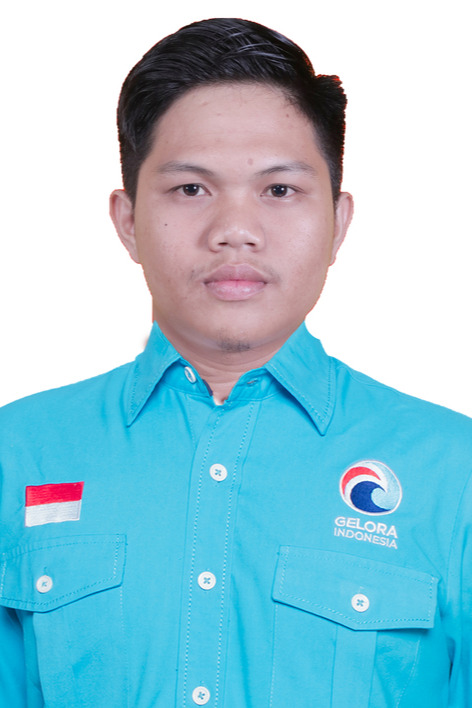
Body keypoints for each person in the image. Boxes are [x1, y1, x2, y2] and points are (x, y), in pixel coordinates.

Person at [0, 17, 471, 708]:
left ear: (338, 222)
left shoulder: (453, 471)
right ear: (127, 221)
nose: (235, 231)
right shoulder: (18, 453)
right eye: (191, 189)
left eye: (279, 190)